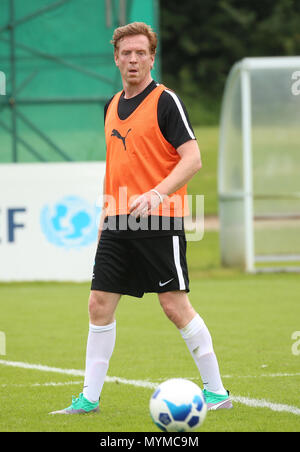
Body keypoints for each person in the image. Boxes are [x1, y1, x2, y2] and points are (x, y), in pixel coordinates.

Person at [50, 22, 232, 415]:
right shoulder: (110, 105)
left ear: (152, 57)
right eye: (126, 53)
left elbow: (193, 159)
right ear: (116, 58)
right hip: (117, 220)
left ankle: (217, 392)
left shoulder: (166, 102)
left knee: (174, 306)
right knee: (98, 303)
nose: (133, 59)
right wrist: (104, 218)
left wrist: (156, 194)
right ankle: (89, 399)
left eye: (140, 53)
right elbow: (114, 168)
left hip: (159, 219)